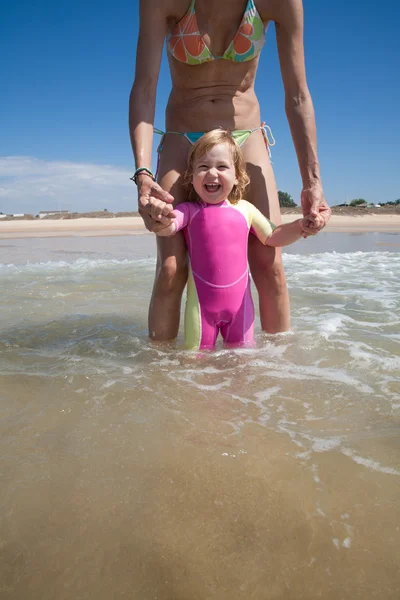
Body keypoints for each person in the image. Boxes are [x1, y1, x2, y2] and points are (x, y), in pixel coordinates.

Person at [129, 0, 331, 342]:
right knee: (170, 270)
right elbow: (145, 87)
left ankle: (276, 379)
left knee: (271, 267)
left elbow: (297, 94)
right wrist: (143, 174)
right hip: (182, 135)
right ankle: (159, 376)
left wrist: (312, 181)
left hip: (245, 136)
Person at [155, 129, 310, 350]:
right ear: (191, 176)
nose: (212, 173)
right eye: (203, 167)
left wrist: (300, 227)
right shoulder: (188, 211)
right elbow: (169, 226)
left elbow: (273, 236)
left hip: (240, 310)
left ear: (237, 175)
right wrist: (159, 219)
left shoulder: (246, 210)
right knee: (194, 363)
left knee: (243, 363)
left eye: (221, 166)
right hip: (200, 310)